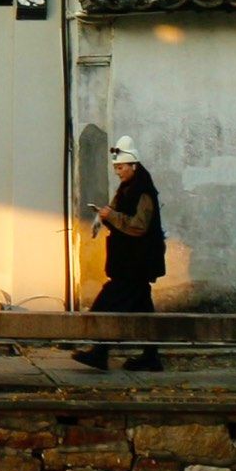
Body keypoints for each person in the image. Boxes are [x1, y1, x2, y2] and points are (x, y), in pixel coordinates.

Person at [72, 137, 166, 373]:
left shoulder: (143, 191)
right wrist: (102, 216)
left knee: (108, 304)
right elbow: (114, 211)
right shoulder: (128, 188)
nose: (118, 172)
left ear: (133, 165)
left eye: (121, 167)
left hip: (136, 263)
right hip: (131, 263)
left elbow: (138, 226)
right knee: (144, 312)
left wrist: (110, 216)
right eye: (115, 167)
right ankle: (151, 357)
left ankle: (100, 353)